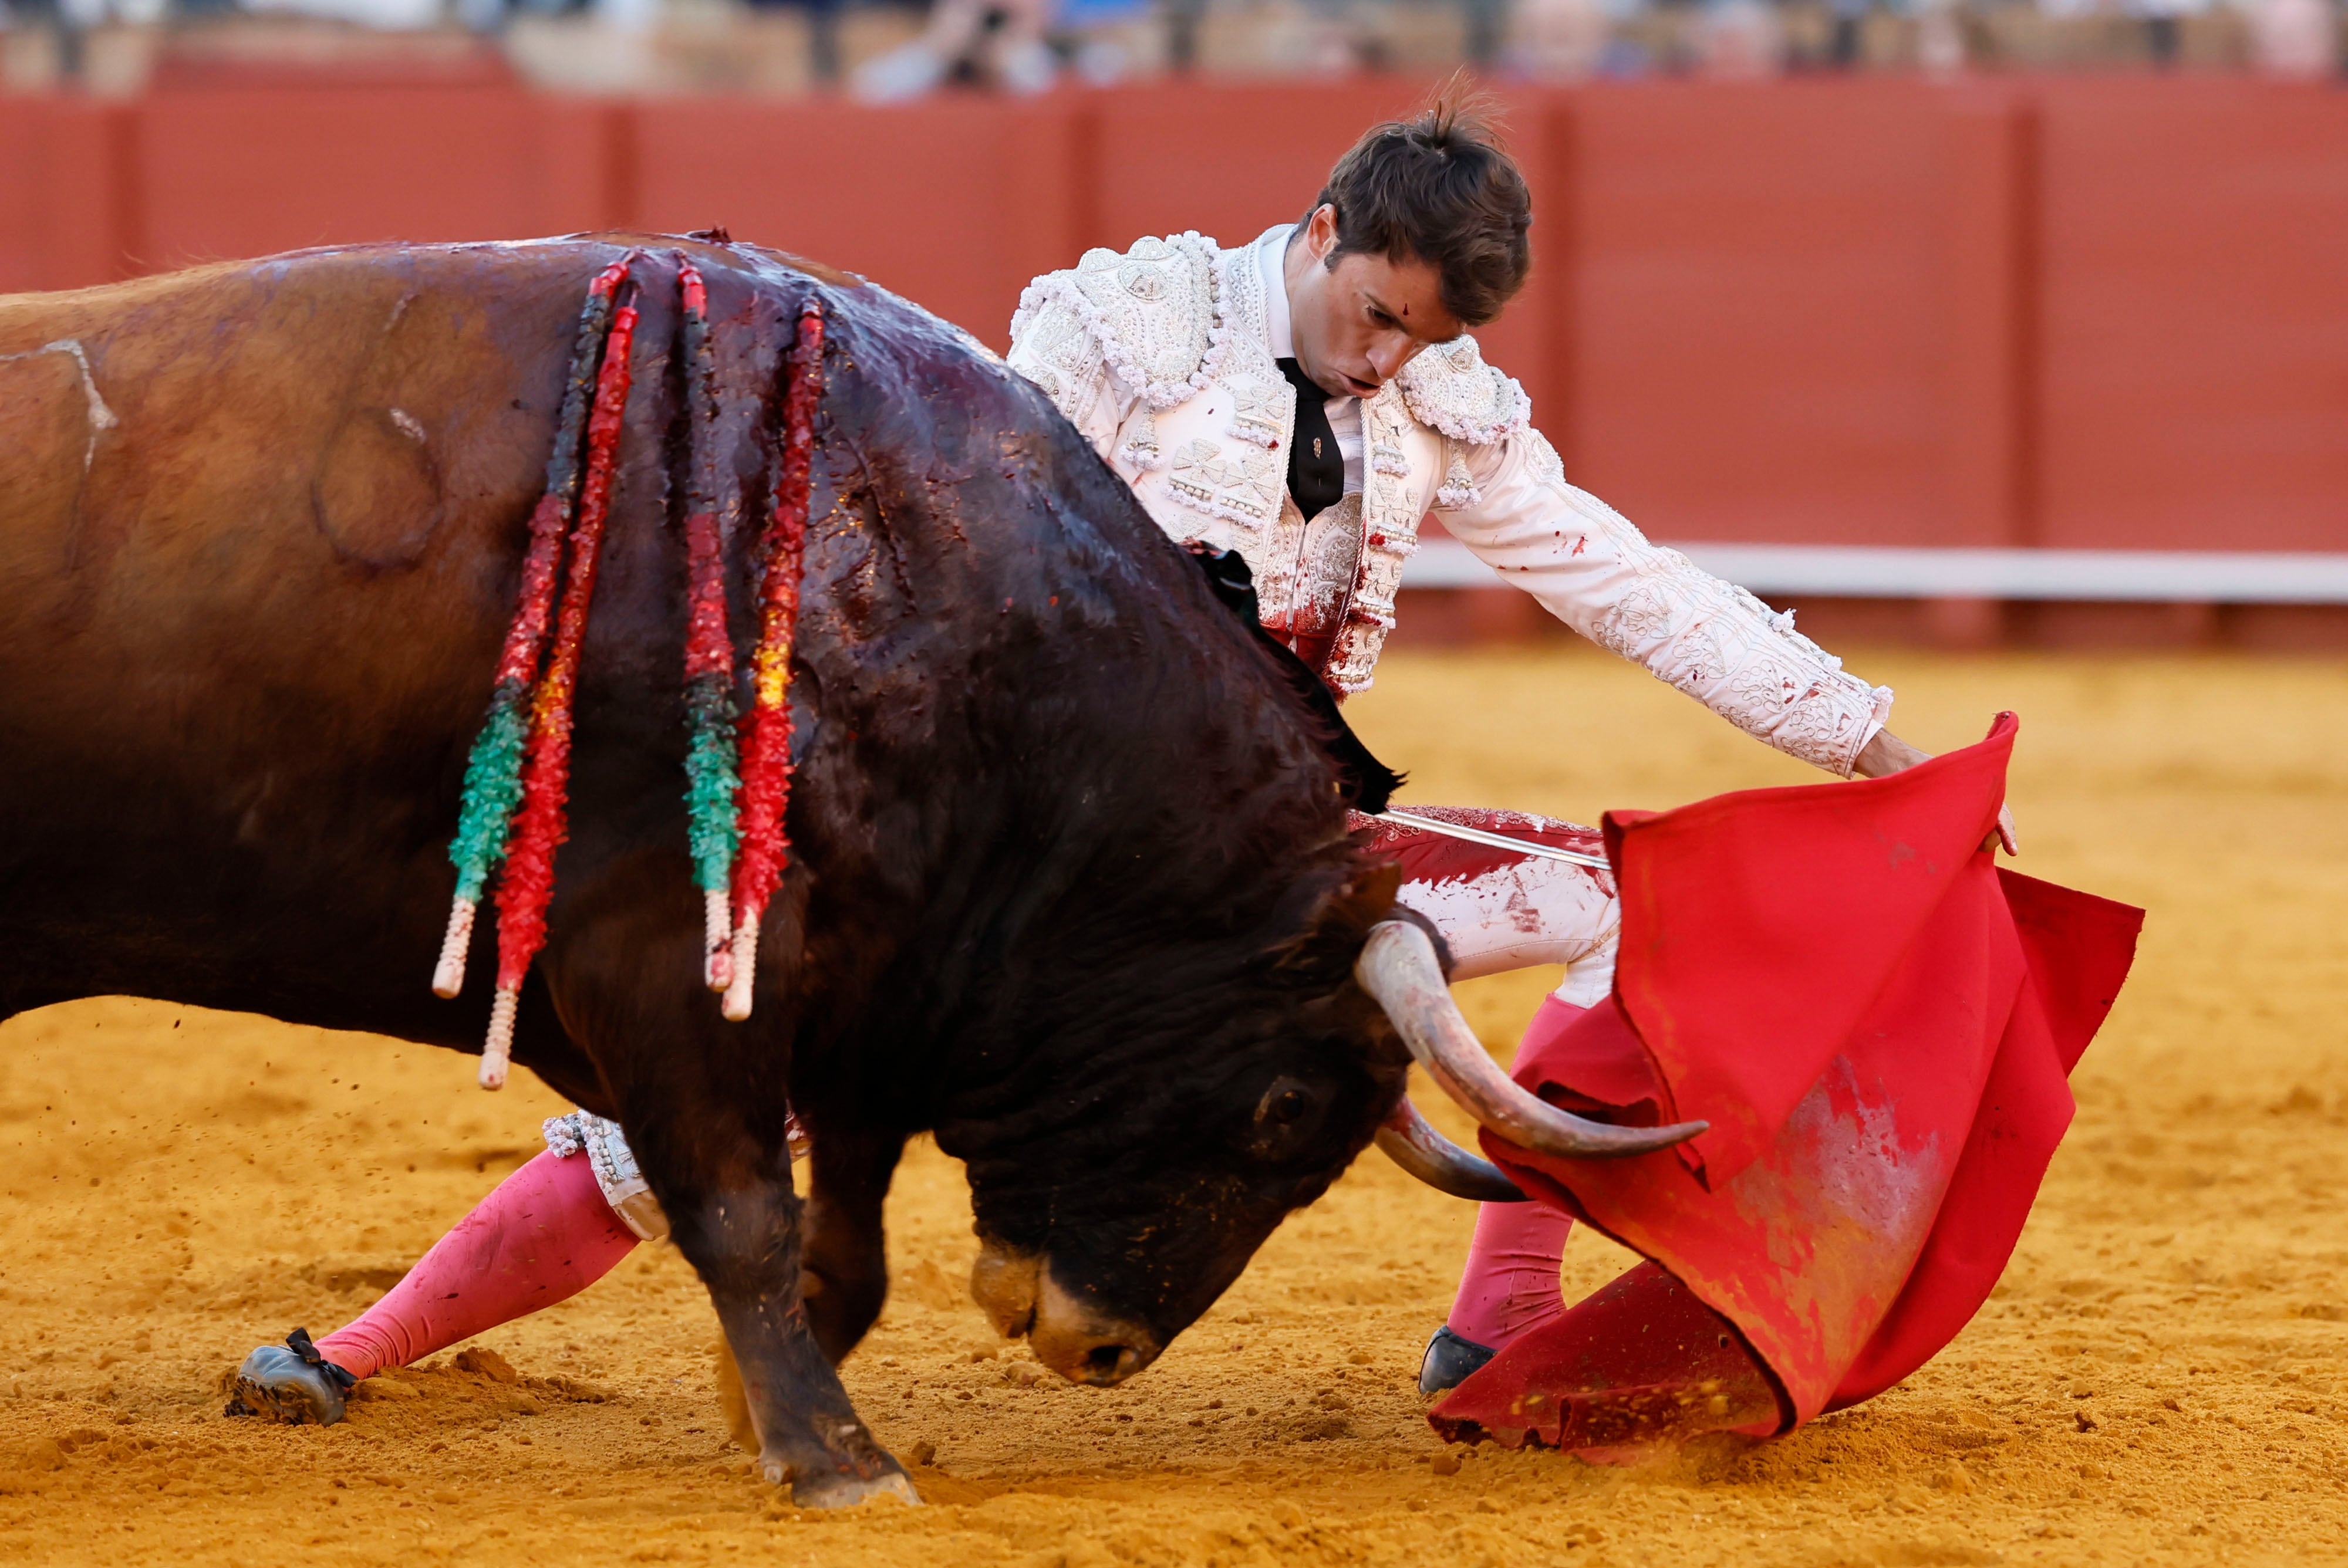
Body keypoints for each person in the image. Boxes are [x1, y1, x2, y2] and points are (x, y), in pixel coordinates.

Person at [232, 88, 2040, 1450]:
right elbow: (963, 584)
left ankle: (1495, 1325)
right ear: (1325, 232)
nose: (1397, 359)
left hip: (1275, 858)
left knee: (1621, 899)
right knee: (717, 1121)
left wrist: (1862, 731)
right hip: (1021, 875)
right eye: (1382, 317)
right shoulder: (1115, 335)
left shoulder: (1439, 404)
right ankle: (366, 1345)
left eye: (1432, 337)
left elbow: (1617, 574)